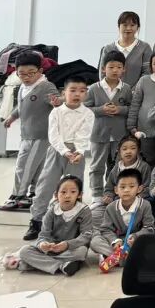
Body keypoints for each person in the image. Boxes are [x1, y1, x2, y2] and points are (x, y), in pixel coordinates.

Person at [25, 78, 93, 241]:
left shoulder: (88, 114)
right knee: (45, 186)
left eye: (82, 91)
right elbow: (53, 135)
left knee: (74, 188)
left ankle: (75, 222)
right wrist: (64, 151)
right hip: (57, 150)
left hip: (77, 153)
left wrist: (79, 152)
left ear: (86, 94)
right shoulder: (56, 112)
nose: (77, 94)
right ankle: (37, 221)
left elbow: (84, 134)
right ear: (64, 93)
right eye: (73, 90)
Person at [1, 52, 59, 212]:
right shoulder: (23, 87)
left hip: (40, 136)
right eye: (22, 74)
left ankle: (17, 195)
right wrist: (12, 117)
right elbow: (21, 106)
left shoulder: (46, 86)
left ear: (40, 71)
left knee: (25, 166)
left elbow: (57, 100)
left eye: (31, 73)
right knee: (37, 166)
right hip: (27, 134)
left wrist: (58, 102)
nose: (26, 77)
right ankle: (33, 194)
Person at [11, 175, 93, 275]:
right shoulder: (51, 212)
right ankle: (62, 265)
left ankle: (37, 263)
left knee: (81, 251)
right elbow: (43, 235)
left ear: (79, 195)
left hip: (71, 249)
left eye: (73, 192)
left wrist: (67, 244)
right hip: (51, 249)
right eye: (63, 192)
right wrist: (43, 244)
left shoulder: (84, 211)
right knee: (24, 251)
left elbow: (86, 236)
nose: (67, 195)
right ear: (56, 195)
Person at [85, 51, 132, 202]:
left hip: (120, 135)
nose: (115, 70)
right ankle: (96, 195)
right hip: (99, 134)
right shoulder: (94, 88)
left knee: (118, 165)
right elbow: (84, 110)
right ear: (103, 69)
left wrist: (120, 110)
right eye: (111, 67)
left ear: (124, 69)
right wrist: (101, 110)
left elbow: (132, 109)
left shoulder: (126, 89)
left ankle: (112, 192)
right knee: (97, 166)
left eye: (119, 67)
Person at [90, 167, 155, 268]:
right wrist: (115, 241)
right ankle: (123, 258)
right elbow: (106, 229)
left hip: (135, 242)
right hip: (118, 242)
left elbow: (149, 228)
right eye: (122, 187)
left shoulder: (145, 205)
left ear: (139, 189)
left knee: (152, 245)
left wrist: (136, 236)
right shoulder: (111, 207)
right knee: (95, 241)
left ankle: (112, 258)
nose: (126, 190)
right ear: (116, 190)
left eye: (131, 186)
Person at [92, 135, 151, 229]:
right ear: (119, 151)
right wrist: (109, 196)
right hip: (117, 201)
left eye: (133, 148)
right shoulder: (116, 168)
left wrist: (134, 198)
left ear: (138, 150)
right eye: (124, 149)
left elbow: (148, 187)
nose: (128, 151)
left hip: (138, 202)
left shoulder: (144, 167)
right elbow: (109, 188)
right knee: (95, 214)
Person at [127, 48, 155, 165]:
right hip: (145, 128)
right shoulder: (144, 80)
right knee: (147, 159)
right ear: (151, 65)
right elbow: (135, 104)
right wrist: (132, 126)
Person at [97, 11, 151, 87]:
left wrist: (132, 91)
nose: (128, 28)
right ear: (119, 26)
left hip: (136, 93)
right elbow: (102, 74)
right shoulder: (108, 48)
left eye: (132, 25)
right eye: (125, 25)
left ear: (138, 27)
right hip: (110, 92)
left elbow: (147, 73)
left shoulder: (145, 47)